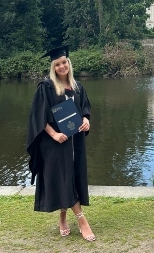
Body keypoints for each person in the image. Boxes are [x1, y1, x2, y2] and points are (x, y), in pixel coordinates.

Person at [26, 45, 95, 241]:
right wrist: (54, 134)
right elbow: (38, 117)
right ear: (53, 67)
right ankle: (82, 221)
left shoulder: (78, 87)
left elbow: (85, 109)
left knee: (72, 177)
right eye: (58, 64)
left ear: (69, 63)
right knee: (64, 177)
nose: (62, 66)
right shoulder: (46, 87)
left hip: (75, 142)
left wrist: (87, 120)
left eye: (64, 62)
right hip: (56, 143)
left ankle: (63, 216)